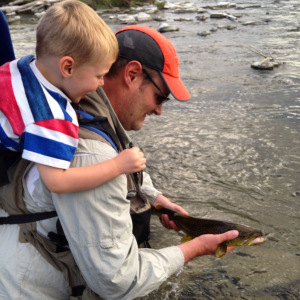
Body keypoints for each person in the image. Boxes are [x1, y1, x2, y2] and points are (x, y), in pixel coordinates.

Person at [0, 25, 238, 299]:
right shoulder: (90, 155)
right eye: (160, 96)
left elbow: (125, 157)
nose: (160, 110)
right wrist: (195, 248)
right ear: (132, 74)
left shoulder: (80, 98)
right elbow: (117, 280)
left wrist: (156, 199)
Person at [0, 0, 146, 195]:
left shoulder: (23, 64)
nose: (101, 84)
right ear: (68, 67)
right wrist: (118, 166)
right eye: (99, 76)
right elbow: (57, 182)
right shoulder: (50, 116)